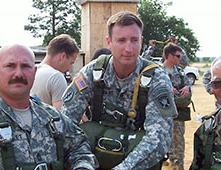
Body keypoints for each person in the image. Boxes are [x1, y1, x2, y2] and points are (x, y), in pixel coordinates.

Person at [0, 44, 98, 169]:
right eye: (10, 66)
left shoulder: (53, 119)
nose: (18, 74)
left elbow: (80, 148)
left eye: (25, 66)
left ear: (34, 72)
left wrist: (82, 167)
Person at [61, 11, 176, 169]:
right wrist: (82, 162)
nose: (128, 48)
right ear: (109, 42)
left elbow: (159, 140)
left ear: (141, 41)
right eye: (121, 40)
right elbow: (66, 124)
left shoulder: (157, 79)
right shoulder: (92, 73)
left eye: (134, 40)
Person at [161, 43, 192, 170]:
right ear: (169, 56)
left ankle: (178, 166)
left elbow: (189, 87)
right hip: (161, 115)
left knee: (178, 144)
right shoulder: (158, 71)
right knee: (160, 142)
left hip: (177, 114)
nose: (180, 59)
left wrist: (187, 88)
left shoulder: (179, 72)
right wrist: (166, 90)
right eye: (178, 56)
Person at [31, 34, 79, 110]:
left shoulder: (30, 72)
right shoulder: (56, 77)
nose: (69, 69)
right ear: (63, 56)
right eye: (71, 63)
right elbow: (62, 118)